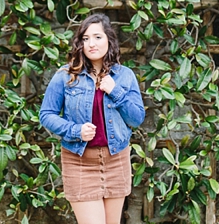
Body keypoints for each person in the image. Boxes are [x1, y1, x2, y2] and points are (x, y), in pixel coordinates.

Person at [40, 13, 145, 224]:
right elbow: (46, 115)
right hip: (79, 161)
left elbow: (136, 119)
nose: (91, 44)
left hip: (116, 159)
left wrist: (115, 92)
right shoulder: (65, 76)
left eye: (97, 37)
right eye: (85, 39)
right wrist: (74, 131)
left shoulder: (124, 76)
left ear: (109, 40)